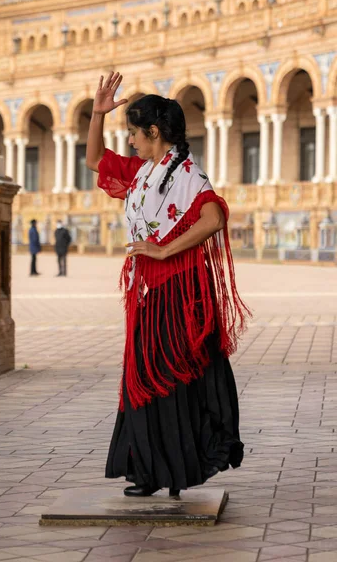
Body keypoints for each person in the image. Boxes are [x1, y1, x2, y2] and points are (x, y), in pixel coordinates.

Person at [86, 72, 251, 498]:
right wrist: (97, 114)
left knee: (171, 377)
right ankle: (148, 468)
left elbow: (214, 217)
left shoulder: (187, 173)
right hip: (150, 293)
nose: (131, 142)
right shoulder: (144, 173)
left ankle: (171, 467)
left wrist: (163, 251)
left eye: (134, 134)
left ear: (154, 132)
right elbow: (93, 160)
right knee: (143, 374)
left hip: (180, 292)